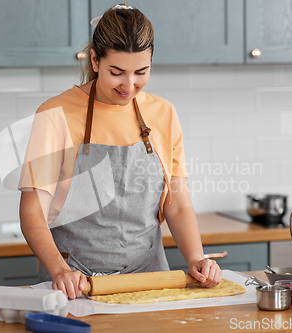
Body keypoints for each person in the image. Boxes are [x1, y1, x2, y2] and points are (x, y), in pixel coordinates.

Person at [18, 4, 221, 300]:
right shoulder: (54, 114)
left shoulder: (163, 113)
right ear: (95, 60)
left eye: (141, 72)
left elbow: (176, 202)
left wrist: (196, 258)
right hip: (77, 284)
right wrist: (60, 271)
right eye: (117, 72)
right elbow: (32, 211)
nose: (129, 85)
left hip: (149, 281)